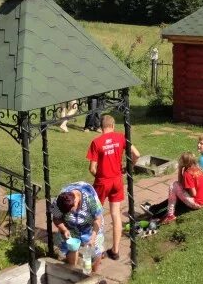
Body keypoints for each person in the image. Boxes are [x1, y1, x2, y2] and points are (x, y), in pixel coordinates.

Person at [86, 114, 140, 261]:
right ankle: (115, 250)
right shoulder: (121, 137)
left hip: (102, 182)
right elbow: (136, 154)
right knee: (115, 213)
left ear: (101, 126)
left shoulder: (96, 142)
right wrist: (129, 167)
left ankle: (97, 250)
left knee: (96, 214)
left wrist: (99, 175)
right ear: (113, 125)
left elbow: (92, 168)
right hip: (117, 180)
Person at [51, 182, 105, 272]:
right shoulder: (58, 201)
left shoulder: (90, 199)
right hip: (71, 227)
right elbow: (56, 218)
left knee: (95, 251)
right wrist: (64, 229)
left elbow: (98, 219)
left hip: (92, 226)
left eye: (71, 210)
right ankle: (73, 273)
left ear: (76, 201)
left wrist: (93, 237)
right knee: (71, 247)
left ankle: (94, 276)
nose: (71, 213)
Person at [161, 152, 203, 224]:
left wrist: (179, 169)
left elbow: (193, 193)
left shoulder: (188, 173)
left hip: (198, 203)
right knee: (177, 185)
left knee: (173, 185)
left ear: (185, 163)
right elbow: (181, 183)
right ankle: (171, 212)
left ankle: (170, 215)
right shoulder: (198, 169)